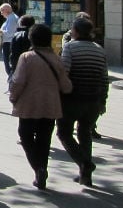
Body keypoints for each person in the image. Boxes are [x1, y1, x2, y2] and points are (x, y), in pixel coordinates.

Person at [9, 24, 72, 190]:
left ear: (32, 39)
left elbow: (18, 81)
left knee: (25, 135)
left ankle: (38, 168)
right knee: (44, 139)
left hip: (29, 105)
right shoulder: (56, 58)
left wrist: (13, 96)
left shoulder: (26, 57)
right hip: (50, 105)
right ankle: (42, 169)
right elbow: (66, 85)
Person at [58, 18, 109, 186]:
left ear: (76, 31)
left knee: (64, 133)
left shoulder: (70, 47)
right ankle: (85, 175)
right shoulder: (99, 50)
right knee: (85, 133)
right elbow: (104, 78)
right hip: (93, 100)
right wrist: (103, 101)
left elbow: (64, 72)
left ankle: (84, 163)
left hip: (72, 99)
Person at [0, 3, 20, 77]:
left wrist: (0, 31)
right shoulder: (10, 18)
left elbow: (10, 33)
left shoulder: (12, 18)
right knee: (8, 65)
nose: (1, 13)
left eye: (2, 11)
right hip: (7, 43)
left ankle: (12, 82)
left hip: (9, 44)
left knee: (9, 67)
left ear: (6, 10)